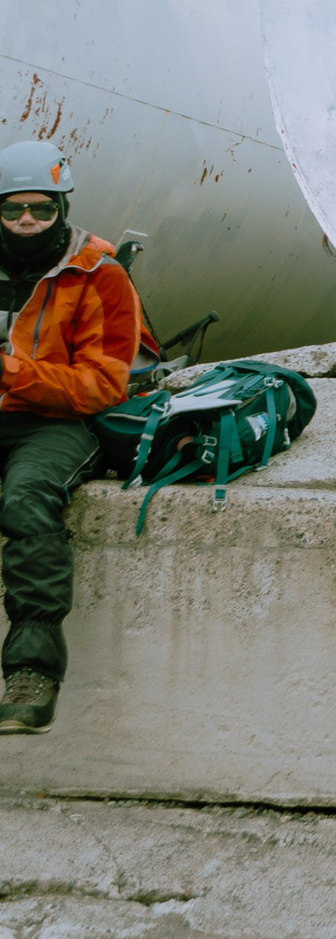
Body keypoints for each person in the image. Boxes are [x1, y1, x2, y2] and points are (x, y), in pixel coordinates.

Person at [0, 139, 141, 735]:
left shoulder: (100, 277)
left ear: (62, 206)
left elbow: (103, 386)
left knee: (27, 498)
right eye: (12, 210)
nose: (27, 222)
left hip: (58, 424)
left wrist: (10, 373)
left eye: (41, 210)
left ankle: (31, 673)